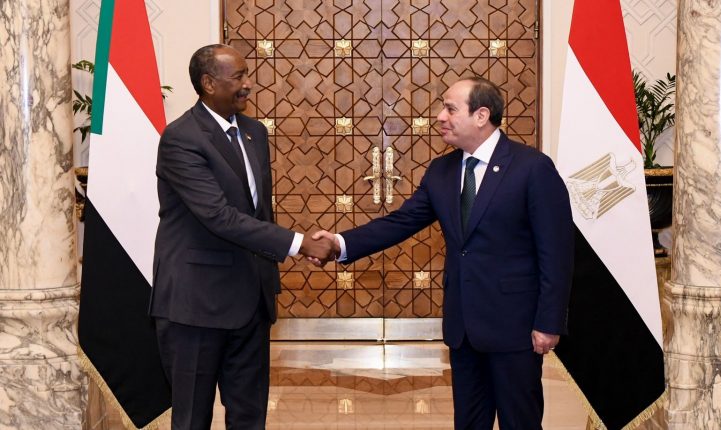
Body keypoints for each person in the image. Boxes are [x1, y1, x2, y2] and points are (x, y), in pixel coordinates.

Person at [313, 77, 574, 429]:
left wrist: (549, 322)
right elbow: (400, 222)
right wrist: (339, 243)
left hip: (515, 327)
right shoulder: (442, 170)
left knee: (520, 422)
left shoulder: (532, 167)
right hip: (463, 327)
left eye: (450, 109)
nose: (440, 116)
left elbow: (556, 252)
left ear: (481, 115)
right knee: (468, 422)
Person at [149, 44, 336, 429]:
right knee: (192, 419)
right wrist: (299, 243)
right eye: (238, 77)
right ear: (208, 83)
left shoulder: (254, 132)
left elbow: (258, 212)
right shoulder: (181, 138)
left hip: (251, 300)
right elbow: (219, 216)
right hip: (196, 305)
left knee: (250, 418)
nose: (248, 84)